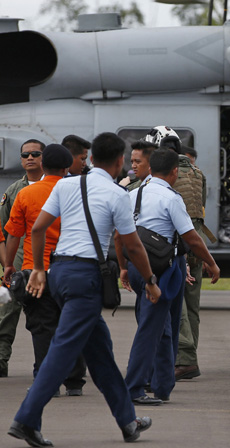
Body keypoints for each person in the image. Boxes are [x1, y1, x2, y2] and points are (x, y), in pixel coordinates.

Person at [8, 132, 159, 446]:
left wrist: (38, 268)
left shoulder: (65, 184)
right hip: (85, 277)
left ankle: (128, 421)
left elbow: (37, 228)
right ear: (119, 162)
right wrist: (150, 281)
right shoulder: (117, 194)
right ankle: (26, 419)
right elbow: (132, 245)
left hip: (59, 272)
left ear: (91, 160)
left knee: (100, 352)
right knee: (62, 351)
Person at [118, 148, 220, 405]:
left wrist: (123, 267)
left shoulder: (133, 194)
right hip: (162, 270)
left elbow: (120, 235)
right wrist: (211, 263)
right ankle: (134, 388)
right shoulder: (171, 198)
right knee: (154, 331)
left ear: (151, 168)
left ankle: (162, 385)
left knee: (162, 328)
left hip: (137, 267)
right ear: (175, 171)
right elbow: (192, 238)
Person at [3, 144, 87, 397]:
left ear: (43, 164)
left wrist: (8, 265)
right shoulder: (79, 192)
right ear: (66, 167)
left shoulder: (26, 194)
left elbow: (13, 235)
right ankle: (74, 381)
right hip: (72, 268)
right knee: (72, 324)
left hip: (34, 270)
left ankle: (45, 381)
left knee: (42, 328)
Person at [144, 127, 211, 382]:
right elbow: (199, 210)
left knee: (177, 305)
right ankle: (187, 357)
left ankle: (183, 359)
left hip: (175, 248)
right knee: (192, 306)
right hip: (196, 244)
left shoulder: (162, 176)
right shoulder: (197, 173)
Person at [0, 139, 45, 378]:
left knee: (51, 312)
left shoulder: (57, 186)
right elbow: (4, 230)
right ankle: (0, 358)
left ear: (43, 158)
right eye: (25, 155)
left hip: (49, 256)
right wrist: (7, 263)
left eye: (35, 154)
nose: (30, 158)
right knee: (7, 310)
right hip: (18, 257)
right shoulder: (14, 191)